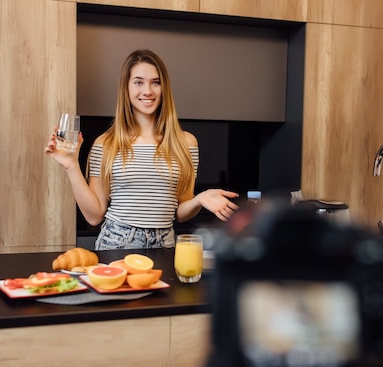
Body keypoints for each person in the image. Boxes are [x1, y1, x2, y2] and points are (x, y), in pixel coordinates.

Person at [45, 49, 239, 250]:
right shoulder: (106, 143)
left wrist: (200, 199)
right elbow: (94, 216)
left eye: (155, 82)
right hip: (117, 243)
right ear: (126, 88)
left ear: (164, 88)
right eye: (138, 82)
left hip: (165, 244)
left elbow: (181, 212)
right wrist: (71, 166)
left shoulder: (186, 143)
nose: (148, 91)